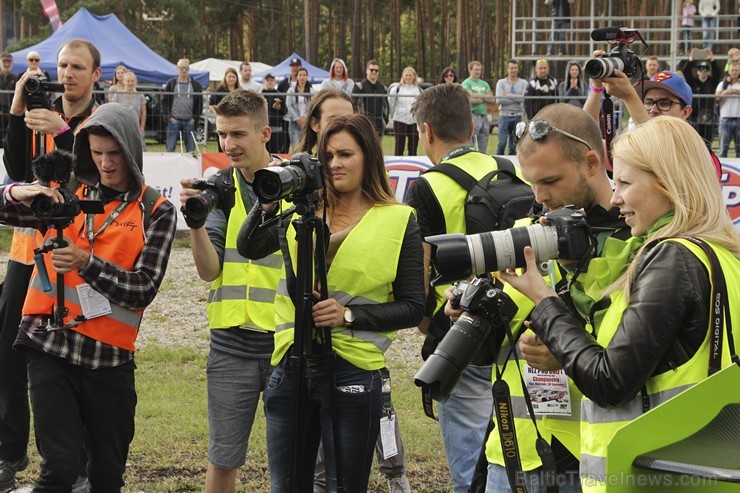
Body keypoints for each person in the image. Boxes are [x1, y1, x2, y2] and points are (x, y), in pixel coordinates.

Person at [500, 116, 740, 492]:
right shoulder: (724, 256)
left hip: (647, 473)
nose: (615, 198)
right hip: (701, 466)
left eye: (626, 183)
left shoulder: (672, 258)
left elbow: (609, 381)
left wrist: (544, 300)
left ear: (669, 184)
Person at [239, 113, 425, 492]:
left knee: (345, 486)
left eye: (345, 154)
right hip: (290, 368)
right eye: (328, 157)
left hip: (354, 372)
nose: (335, 164)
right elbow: (250, 246)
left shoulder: (399, 219)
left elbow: (412, 306)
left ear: (369, 158)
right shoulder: (301, 212)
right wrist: (268, 202)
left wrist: (349, 315)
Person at [0, 102, 177, 491]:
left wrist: (86, 262)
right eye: (96, 153)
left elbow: (143, 288)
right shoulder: (65, 194)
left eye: (114, 154)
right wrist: (22, 190)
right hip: (48, 343)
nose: (105, 163)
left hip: (109, 359)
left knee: (107, 476)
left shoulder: (157, 211)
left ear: (132, 149)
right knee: (60, 468)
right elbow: (3, 208)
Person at [479, 103, 630, 492]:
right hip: (515, 454)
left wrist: (562, 349)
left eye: (550, 181)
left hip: (595, 458)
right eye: (531, 182)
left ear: (591, 162)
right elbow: (496, 343)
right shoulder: (527, 228)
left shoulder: (634, 238)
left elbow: (634, 355)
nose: (540, 196)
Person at [0, 39, 104, 492]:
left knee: (72, 358)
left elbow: (97, 179)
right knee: (8, 354)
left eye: (78, 67)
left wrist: (64, 131)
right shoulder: (42, 110)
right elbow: (17, 168)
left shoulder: (102, 120)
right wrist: (18, 110)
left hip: (81, 254)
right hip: (28, 250)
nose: (68, 74)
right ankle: (9, 451)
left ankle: (77, 462)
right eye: (62, 65)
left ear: (96, 74)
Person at [406, 83, 513, 493]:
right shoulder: (509, 169)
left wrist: (424, 322)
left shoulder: (425, 186)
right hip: (516, 328)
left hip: (459, 336)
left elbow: (418, 265)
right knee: (510, 459)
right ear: (472, 126)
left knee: (470, 469)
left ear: (426, 131)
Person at [180, 90, 279, 493]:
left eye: (237, 134)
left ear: (265, 133)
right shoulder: (219, 188)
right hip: (229, 348)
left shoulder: (294, 184)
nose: (228, 145)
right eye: (221, 134)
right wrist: (195, 223)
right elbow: (210, 272)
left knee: (292, 461)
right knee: (223, 461)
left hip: (284, 344)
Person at [678, 48, 723, 145]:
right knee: (694, 144)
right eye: (700, 69)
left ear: (708, 71)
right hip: (694, 116)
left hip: (709, 117)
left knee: (707, 144)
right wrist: (691, 59)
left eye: (705, 69)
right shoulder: (692, 83)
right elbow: (685, 71)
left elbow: (717, 73)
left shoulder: (712, 83)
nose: (703, 72)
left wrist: (712, 60)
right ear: (697, 71)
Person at [163, 58, 204, 153]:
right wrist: (169, 117)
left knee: (191, 150)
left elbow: (200, 103)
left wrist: (194, 118)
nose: (184, 70)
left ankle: (191, 167)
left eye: (186, 68)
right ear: (177, 69)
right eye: (182, 68)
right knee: (170, 149)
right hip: (174, 120)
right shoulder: (171, 83)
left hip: (190, 121)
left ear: (189, 69)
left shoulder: (196, 85)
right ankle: (169, 167)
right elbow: (164, 101)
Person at [296, 88, 354, 154]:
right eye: (334, 120)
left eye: (349, 119)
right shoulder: (302, 163)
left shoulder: (362, 161)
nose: (343, 125)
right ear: (315, 124)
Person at [495, 59, 529, 155]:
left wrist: (509, 95)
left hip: (517, 116)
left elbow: (524, 99)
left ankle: (511, 167)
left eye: (515, 68)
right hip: (504, 116)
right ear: (507, 69)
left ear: (518, 69)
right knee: (502, 143)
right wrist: (517, 98)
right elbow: (499, 100)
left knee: (514, 145)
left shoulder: (523, 83)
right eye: (511, 68)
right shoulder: (501, 83)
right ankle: (498, 163)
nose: (513, 70)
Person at [389, 66, 422, 156]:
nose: (408, 77)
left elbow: (420, 106)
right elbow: (391, 103)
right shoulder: (396, 89)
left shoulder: (419, 90)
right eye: (406, 75)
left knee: (413, 147)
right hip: (400, 120)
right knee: (399, 146)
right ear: (403, 76)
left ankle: (413, 167)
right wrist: (393, 117)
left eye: (410, 75)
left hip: (414, 121)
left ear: (414, 77)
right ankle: (397, 166)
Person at [461, 60, 492, 152]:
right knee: (471, 140)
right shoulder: (466, 83)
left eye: (480, 70)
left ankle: (482, 157)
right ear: (470, 70)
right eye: (476, 70)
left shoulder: (484, 83)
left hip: (484, 115)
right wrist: (483, 97)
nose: (478, 72)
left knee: (484, 138)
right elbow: (470, 98)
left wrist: (477, 95)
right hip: (472, 115)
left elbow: (491, 98)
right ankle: (468, 156)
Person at [353, 60, 389, 138]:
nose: (374, 72)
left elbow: (386, 107)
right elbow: (354, 106)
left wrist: (384, 121)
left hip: (379, 125)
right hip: (363, 125)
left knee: (376, 149)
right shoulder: (359, 86)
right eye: (371, 70)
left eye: (376, 70)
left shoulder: (383, 88)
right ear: (366, 71)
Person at [111, 71, 147, 149]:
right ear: (124, 82)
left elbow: (143, 113)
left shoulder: (140, 96)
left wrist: (142, 128)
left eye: (132, 81)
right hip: (121, 127)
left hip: (136, 127)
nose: (130, 83)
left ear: (135, 82)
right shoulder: (117, 95)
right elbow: (113, 111)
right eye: (128, 81)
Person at [286, 67, 315, 152]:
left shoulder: (312, 91)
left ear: (307, 77)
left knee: (306, 148)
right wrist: (297, 118)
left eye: (304, 75)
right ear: (297, 77)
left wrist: (305, 117)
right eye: (300, 75)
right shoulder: (291, 90)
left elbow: (312, 105)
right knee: (295, 148)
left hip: (307, 123)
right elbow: (288, 105)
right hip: (294, 123)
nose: (302, 77)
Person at [716, 61, 740, 157]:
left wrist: (737, 92)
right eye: (732, 70)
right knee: (723, 149)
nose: (734, 72)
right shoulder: (722, 84)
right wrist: (726, 92)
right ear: (729, 71)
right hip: (725, 119)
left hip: (739, 118)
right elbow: (717, 99)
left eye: (736, 70)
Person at [261, 73, 289, 154]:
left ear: (275, 82)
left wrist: (279, 108)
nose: (270, 82)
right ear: (264, 82)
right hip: (263, 129)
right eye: (268, 80)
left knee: (275, 153)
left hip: (277, 130)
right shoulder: (260, 95)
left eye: (272, 80)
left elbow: (285, 111)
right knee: (263, 152)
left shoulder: (279, 95)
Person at [0, 52, 16, 147]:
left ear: (12, 63)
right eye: (4, 61)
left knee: (10, 139)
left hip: (11, 113)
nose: (6, 64)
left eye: (9, 62)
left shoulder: (15, 78)